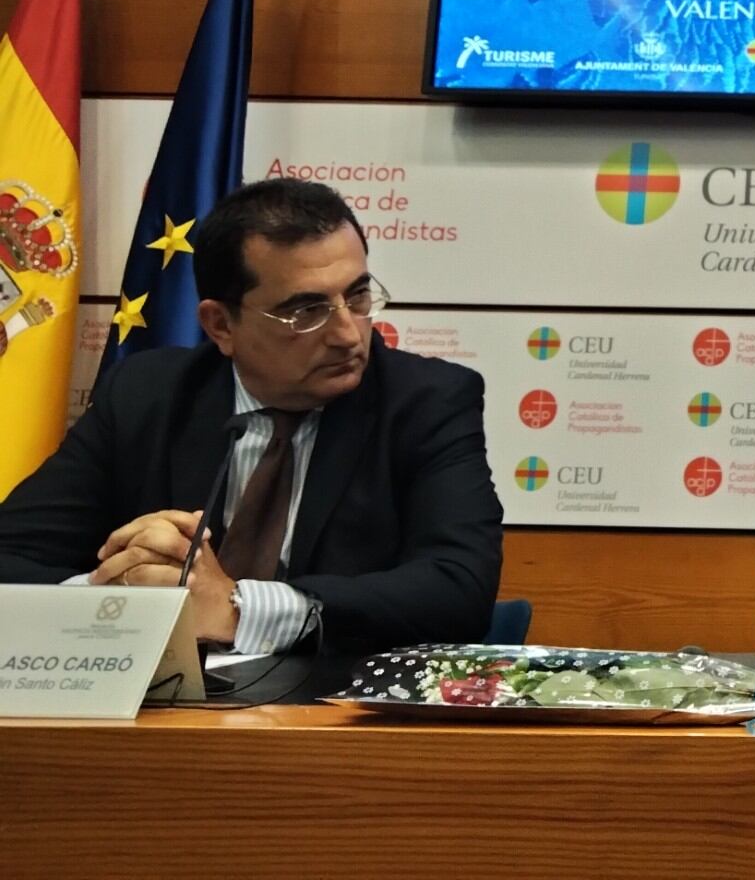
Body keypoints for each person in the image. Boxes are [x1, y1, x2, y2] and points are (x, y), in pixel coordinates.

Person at [0, 178, 503, 654]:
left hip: (332, 706)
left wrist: (239, 610)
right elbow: (10, 557)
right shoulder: (146, 396)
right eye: (307, 311)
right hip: (161, 703)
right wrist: (117, 593)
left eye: (357, 296)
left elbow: (459, 589)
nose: (349, 334)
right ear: (221, 324)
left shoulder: (427, 402)